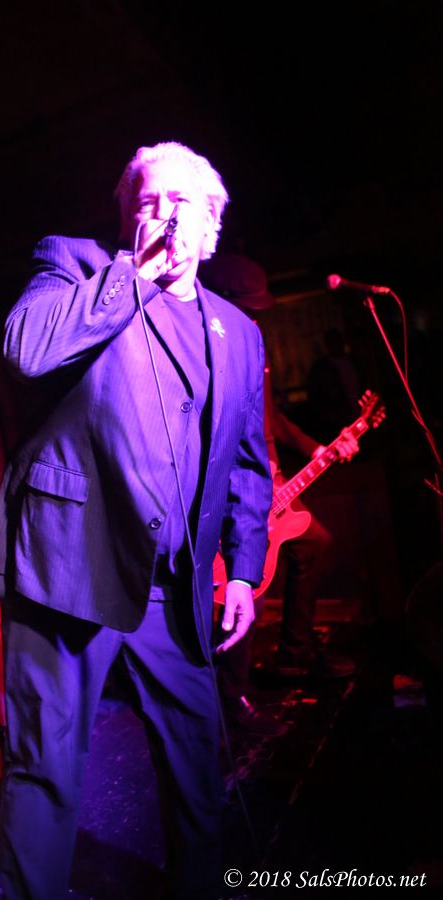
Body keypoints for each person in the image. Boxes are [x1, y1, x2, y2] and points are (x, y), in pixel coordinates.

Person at [0, 142, 273, 899]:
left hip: (173, 588)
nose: (165, 214)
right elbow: (26, 349)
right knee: (45, 768)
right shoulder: (75, 267)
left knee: (196, 758)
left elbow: (249, 462)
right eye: (148, 200)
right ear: (124, 216)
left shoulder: (239, 333)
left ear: (211, 229)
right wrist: (133, 276)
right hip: (66, 568)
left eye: (182, 202)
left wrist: (244, 571)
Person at [201, 254, 359, 736]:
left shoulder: (252, 341)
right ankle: (231, 697)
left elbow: (272, 420)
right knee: (247, 581)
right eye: (249, 306)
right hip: (237, 484)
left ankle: (293, 653)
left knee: (315, 542)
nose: (256, 316)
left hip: (270, 477)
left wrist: (317, 448)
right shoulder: (207, 348)